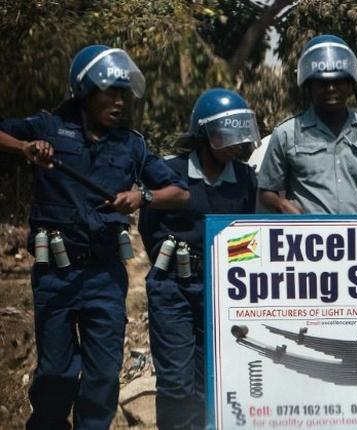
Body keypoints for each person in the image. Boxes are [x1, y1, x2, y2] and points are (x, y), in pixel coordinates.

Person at [0, 44, 190, 429]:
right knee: (56, 374)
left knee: (103, 377)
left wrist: (143, 196)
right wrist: (25, 148)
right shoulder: (48, 127)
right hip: (55, 274)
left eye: (124, 94)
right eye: (111, 92)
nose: (120, 102)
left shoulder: (132, 144)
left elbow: (180, 193)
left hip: (105, 275)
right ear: (85, 91)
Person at [138, 88, 260, 429]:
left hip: (221, 293)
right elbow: (148, 226)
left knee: (213, 380)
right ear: (204, 134)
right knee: (177, 382)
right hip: (172, 289)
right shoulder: (168, 173)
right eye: (227, 134)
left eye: (239, 135)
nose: (236, 143)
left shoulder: (246, 179)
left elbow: (249, 233)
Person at [257, 34, 357, 214]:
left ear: (351, 86)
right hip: (305, 239)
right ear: (308, 87)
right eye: (322, 83)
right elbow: (266, 191)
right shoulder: (286, 134)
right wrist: (282, 205)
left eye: (339, 81)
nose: (331, 89)